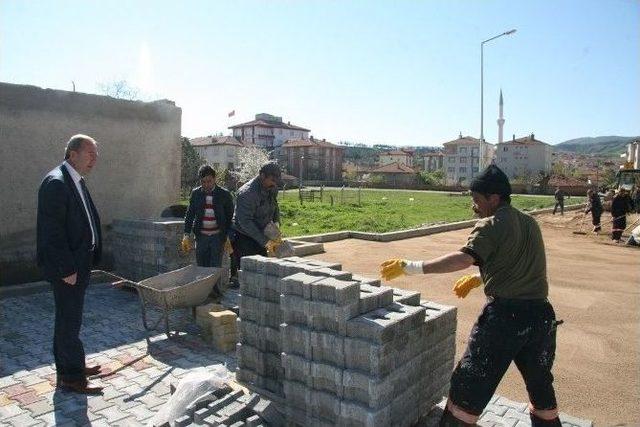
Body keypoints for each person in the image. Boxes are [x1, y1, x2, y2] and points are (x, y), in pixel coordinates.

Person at [380, 165, 561, 427]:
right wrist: (480, 278)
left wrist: (411, 266)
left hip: (505, 320)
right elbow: (522, 265)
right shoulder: (530, 223)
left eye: (477, 200)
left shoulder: (490, 224)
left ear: (494, 199)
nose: (474, 206)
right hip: (542, 319)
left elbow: (463, 259)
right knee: (541, 386)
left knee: (468, 386)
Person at [37, 135, 104, 395]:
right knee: (68, 321)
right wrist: (66, 269)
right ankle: (71, 378)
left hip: (79, 263)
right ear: (72, 153)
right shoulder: (56, 182)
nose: (94, 159)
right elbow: (51, 233)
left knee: (69, 321)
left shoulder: (74, 179)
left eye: (96, 154)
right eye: (90, 153)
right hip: (68, 269)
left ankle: (71, 365)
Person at [230, 162, 282, 281]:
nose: (274, 184)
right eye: (272, 180)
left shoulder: (272, 187)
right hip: (245, 237)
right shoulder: (247, 194)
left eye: (276, 181)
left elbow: (275, 206)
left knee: (262, 272)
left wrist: (276, 224)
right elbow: (245, 222)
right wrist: (266, 242)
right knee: (249, 275)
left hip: (261, 234)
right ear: (262, 176)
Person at [182, 165, 234, 268]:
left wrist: (228, 235)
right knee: (201, 268)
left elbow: (230, 218)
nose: (206, 184)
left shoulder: (224, 195)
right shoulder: (196, 194)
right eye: (203, 182)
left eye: (209, 181)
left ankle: (215, 285)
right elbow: (190, 214)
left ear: (214, 179)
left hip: (217, 237)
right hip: (201, 237)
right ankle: (204, 285)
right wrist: (186, 234)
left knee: (214, 269)